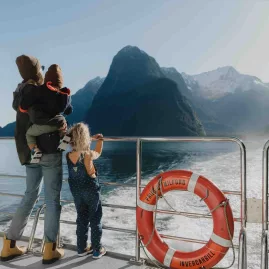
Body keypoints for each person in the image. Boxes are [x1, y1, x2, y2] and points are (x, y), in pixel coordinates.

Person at [0, 55, 65, 264]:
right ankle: (50, 249)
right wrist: (60, 123)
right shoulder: (36, 92)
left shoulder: (20, 91)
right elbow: (41, 119)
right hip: (48, 150)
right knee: (52, 199)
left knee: (30, 195)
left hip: (28, 152)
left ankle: (9, 244)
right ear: (37, 71)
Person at [66, 123, 106, 258]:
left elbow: (64, 143)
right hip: (91, 191)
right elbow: (99, 152)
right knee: (95, 218)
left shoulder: (68, 156)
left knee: (81, 218)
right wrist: (99, 140)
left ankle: (81, 248)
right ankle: (96, 249)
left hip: (77, 193)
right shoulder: (88, 154)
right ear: (85, 138)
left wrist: (85, 139)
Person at [21, 64, 73, 163]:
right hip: (59, 123)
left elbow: (22, 107)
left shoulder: (38, 91)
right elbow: (69, 111)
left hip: (43, 125)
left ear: (47, 79)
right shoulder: (65, 95)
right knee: (63, 124)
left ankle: (36, 151)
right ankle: (64, 136)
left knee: (29, 134)